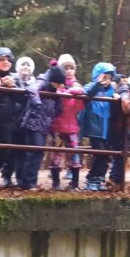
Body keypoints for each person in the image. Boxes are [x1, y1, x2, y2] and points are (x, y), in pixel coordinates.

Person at [0, 47, 27, 187]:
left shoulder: (15, 79)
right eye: (2, 59)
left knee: (6, 152)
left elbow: (23, 100)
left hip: (9, 123)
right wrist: (1, 85)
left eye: (8, 60)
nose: (5, 62)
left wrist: (12, 87)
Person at [18, 65, 65, 190]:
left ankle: (30, 181)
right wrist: (38, 104)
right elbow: (32, 89)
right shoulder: (43, 81)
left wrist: (58, 103)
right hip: (33, 123)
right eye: (58, 84)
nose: (60, 86)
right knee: (34, 152)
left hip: (44, 125)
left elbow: (57, 109)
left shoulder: (55, 89)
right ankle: (27, 182)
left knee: (38, 153)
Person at [81, 62, 117, 192]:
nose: (107, 80)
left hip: (107, 129)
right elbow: (87, 94)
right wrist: (98, 83)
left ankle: (99, 179)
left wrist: (117, 97)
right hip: (95, 128)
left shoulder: (111, 91)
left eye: (109, 77)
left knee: (106, 155)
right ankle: (91, 179)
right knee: (100, 154)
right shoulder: (91, 87)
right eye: (104, 77)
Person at [48, 59, 84, 190]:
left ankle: (74, 183)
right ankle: (56, 182)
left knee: (74, 155)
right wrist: (68, 93)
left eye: (71, 68)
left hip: (72, 127)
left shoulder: (78, 86)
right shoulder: (56, 85)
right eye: (66, 68)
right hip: (58, 126)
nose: (69, 71)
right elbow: (57, 96)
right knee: (56, 156)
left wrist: (74, 92)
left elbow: (80, 106)